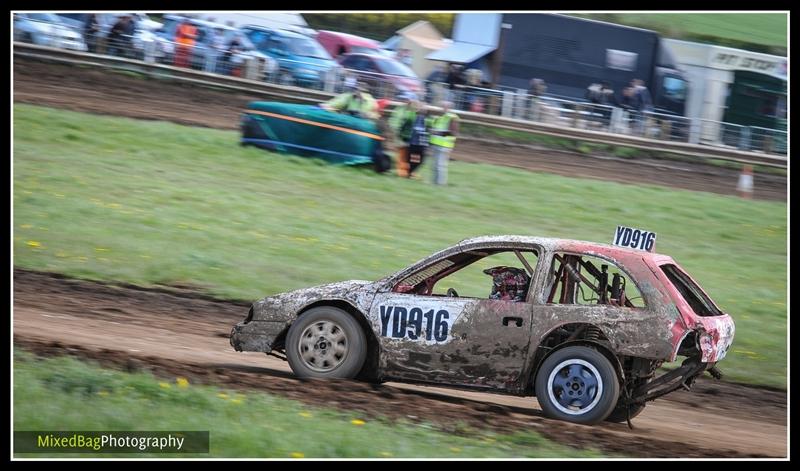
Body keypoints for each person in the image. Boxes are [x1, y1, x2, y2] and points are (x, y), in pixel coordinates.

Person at [429, 100, 459, 186]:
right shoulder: (439, 117)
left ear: (449, 108)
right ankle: (434, 183)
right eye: (442, 106)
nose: (443, 108)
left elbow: (453, 132)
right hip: (436, 144)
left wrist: (437, 132)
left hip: (444, 146)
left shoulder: (453, 117)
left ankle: (440, 184)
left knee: (440, 166)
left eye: (445, 107)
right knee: (435, 165)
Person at [389, 93, 418, 177]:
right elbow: (393, 119)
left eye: (407, 99)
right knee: (401, 154)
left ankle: (411, 172)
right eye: (404, 99)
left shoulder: (416, 110)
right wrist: (394, 128)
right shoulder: (399, 108)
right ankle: (401, 172)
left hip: (412, 137)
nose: (405, 100)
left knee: (412, 156)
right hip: (400, 135)